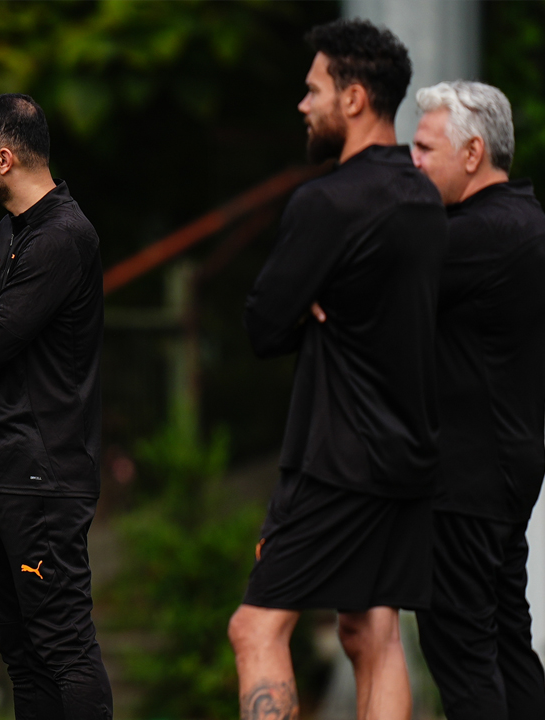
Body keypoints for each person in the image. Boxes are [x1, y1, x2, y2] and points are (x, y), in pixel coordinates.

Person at [227, 20, 448, 720]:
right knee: (372, 632)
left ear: (354, 99)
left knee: (256, 627)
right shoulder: (423, 199)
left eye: (314, 89)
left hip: (335, 459)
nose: (303, 104)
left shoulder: (326, 203)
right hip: (409, 453)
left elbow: (263, 326)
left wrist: (305, 306)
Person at [0, 93, 112, 720]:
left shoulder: (64, 236)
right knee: (21, 654)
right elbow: (2, 336)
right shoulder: (14, 227)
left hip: (43, 478)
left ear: (4, 157)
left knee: (62, 647)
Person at [409, 80, 545, 720]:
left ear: (472, 152)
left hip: (466, 476)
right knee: (507, 644)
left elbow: (366, 289)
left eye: (424, 148)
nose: (413, 163)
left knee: (464, 659)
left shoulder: (477, 232)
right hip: (504, 467)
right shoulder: (526, 222)